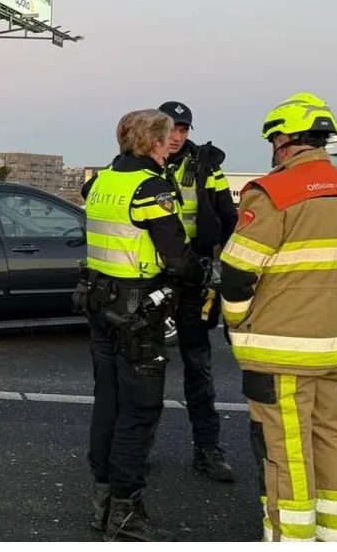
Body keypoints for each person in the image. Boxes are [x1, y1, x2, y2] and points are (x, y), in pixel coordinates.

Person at [218, 92, 337, 542]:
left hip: (279, 351)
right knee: (332, 441)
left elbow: (237, 274)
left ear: (283, 140)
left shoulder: (274, 192)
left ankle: (290, 539)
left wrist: (235, 324)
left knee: (285, 451)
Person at [76, 108, 205, 542]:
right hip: (138, 313)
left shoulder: (100, 183)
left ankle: (102, 503)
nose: (171, 143)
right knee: (140, 409)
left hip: (100, 304)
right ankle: (126, 512)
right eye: (166, 137)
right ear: (153, 142)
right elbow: (176, 254)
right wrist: (199, 273)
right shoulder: (150, 187)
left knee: (107, 405)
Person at [158, 100, 239, 483]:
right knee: (144, 367)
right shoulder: (140, 161)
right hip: (152, 277)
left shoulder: (206, 166)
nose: (177, 136)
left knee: (198, 366)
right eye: (171, 128)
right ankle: (135, 449)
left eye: (183, 129)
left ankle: (208, 450)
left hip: (193, 276)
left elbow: (228, 217)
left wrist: (206, 259)